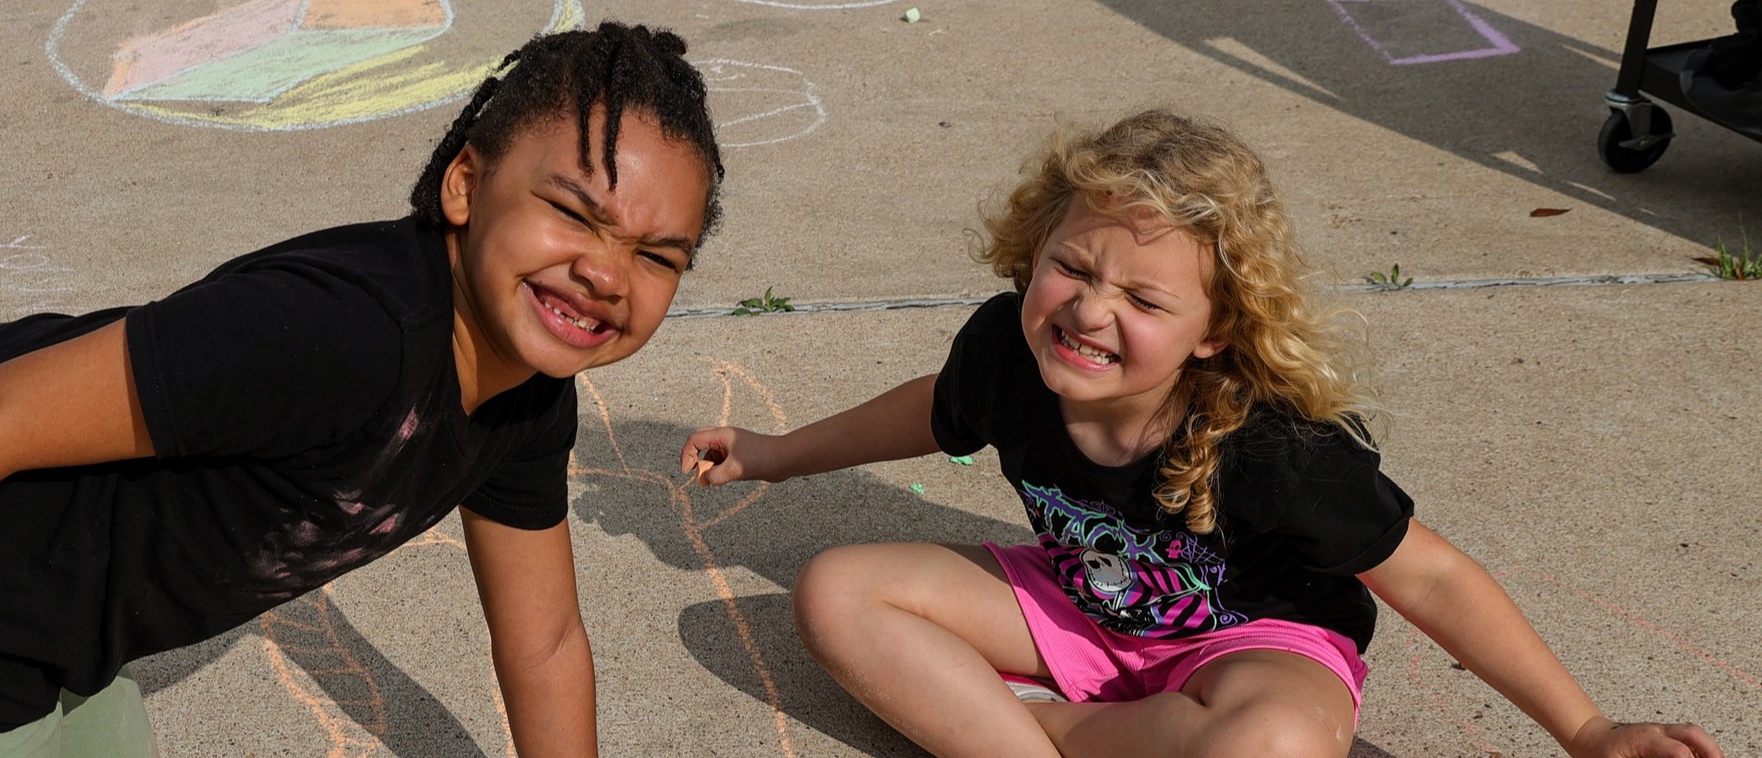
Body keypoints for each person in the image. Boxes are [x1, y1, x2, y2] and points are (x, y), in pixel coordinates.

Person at [0, 21, 721, 758]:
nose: (606, 272)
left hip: (36, 619)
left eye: (655, 255)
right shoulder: (338, 335)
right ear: (464, 183)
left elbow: (541, 638)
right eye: (573, 214)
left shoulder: (525, 400)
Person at [680, 110, 1723, 758]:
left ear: (1215, 329)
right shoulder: (1006, 349)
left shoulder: (1271, 446)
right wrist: (773, 451)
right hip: (1079, 611)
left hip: (1250, 642)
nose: (1090, 311)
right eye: (1073, 269)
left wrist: (1584, 729)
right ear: (1029, 253)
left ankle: (1031, 727)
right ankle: (1063, 737)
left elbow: (1432, 578)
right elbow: (931, 409)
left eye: (1141, 295)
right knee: (835, 587)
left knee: (1272, 739)